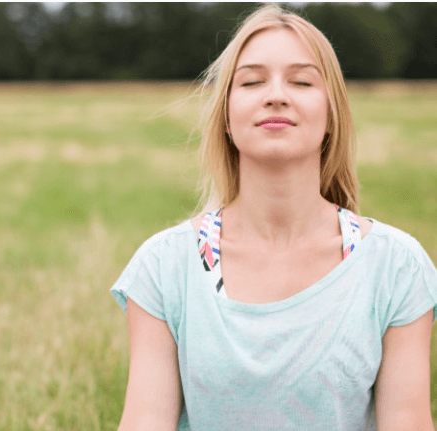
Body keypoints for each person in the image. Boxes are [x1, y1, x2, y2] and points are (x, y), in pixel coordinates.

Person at [110, 4, 437, 431]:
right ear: (226, 116)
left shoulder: (396, 266)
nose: (276, 95)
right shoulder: (164, 267)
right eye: (251, 81)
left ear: (331, 115)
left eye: (301, 81)